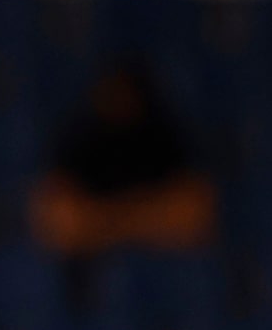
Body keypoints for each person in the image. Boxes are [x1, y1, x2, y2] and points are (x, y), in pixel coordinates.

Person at [31, 60, 214, 255]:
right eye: (111, 94)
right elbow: (55, 222)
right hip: (89, 273)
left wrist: (101, 222)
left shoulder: (166, 138)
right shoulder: (78, 142)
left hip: (169, 269)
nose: (119, 101)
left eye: (126, 93)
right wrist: (144, 218)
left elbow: (195, 214)